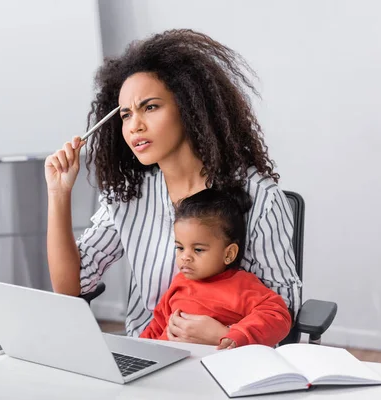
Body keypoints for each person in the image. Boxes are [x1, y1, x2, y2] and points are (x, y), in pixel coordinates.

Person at [45, 29, 301, 345]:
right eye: (126, 114)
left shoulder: (259, 197)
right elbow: (70, 286)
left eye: (150, 107)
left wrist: (224, 337)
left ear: (190, 107)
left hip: (228, 359)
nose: (135, 125)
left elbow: (285, 307)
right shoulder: (128, 194)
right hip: (149, 353)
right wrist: (59, 194)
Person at [139, 188, 292, 349]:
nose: (185, 257)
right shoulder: (179, 283)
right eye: (180, 248)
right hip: (168, 363)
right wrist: (137, 350)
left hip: (213, 365)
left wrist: (235, 335)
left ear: (229, 253)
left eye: (198, 249)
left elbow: (277, 316)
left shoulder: (242, 285)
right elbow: (157, 326)